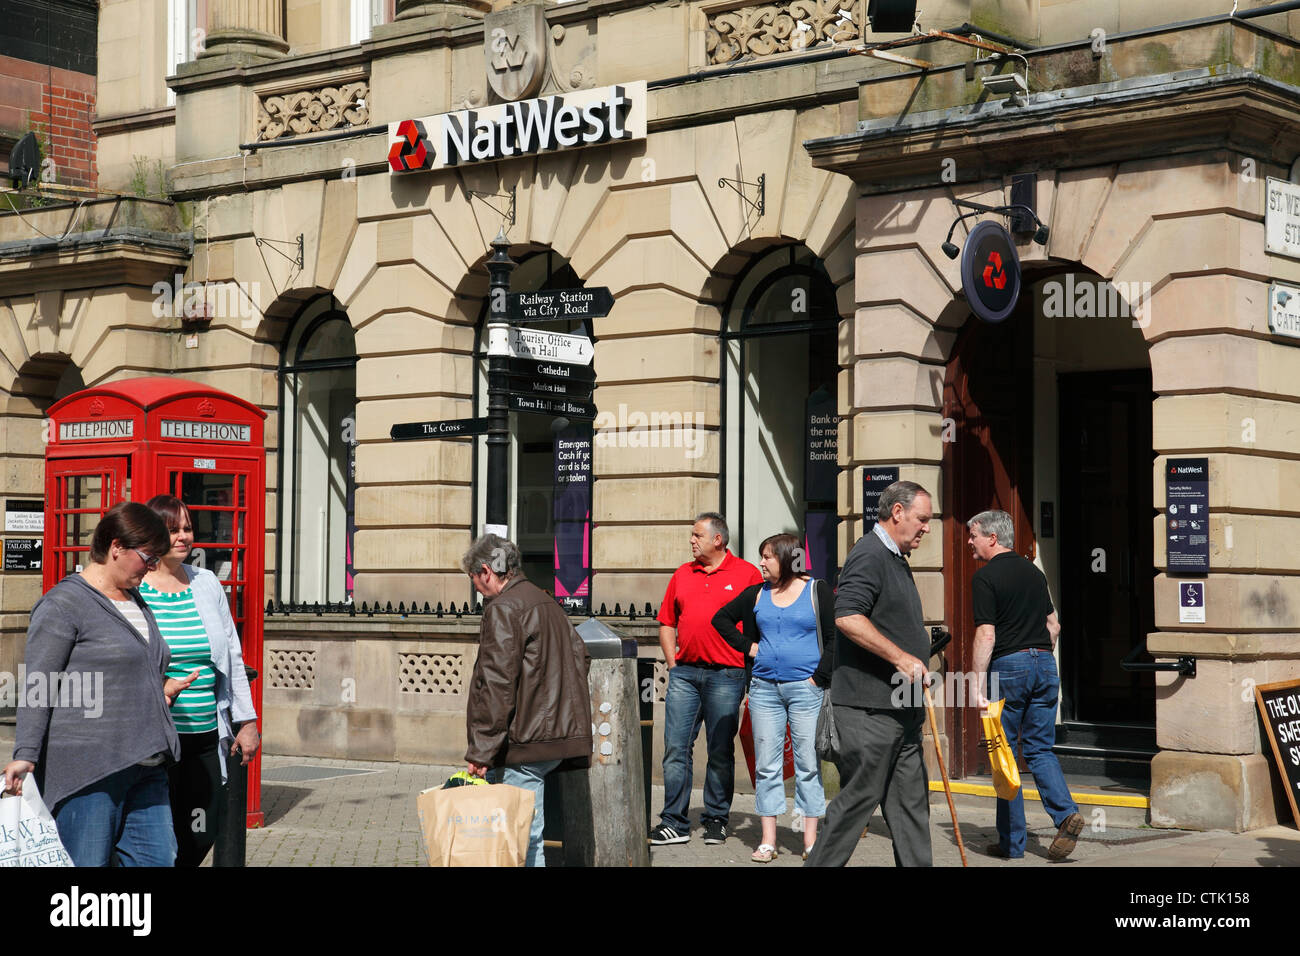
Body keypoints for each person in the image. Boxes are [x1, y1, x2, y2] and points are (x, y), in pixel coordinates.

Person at [3, 502, 188, 866]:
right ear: (116, 547)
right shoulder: (64, 604)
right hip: (90, 769)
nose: (152, 567)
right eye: (148, 557)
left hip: (146, 763)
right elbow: (40, 683)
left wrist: (160, 687)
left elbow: (126, 668)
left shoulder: (134, 599)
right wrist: (25, 754)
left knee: (158, 860)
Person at [806, 480, 934, 868]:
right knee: (857, 802)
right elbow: (847, 617)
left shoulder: (895, 557)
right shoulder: (870, 554)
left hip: (902, 709)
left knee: (912, 807)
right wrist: (901, 658)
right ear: (897, 513)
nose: (926, 528)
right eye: (922, 519)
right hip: (869, 710)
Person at [139, 494, 260, 867]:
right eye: (173, 529)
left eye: (188, 528)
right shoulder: (136, 587)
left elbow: (233, 656)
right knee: (155, 837)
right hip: (156, 739)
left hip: (207, 736)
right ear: (153, 534)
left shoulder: (206, 582)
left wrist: (248, 720)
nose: (183, 536)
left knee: (202, 829)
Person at [462, 534, 592, 868]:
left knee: (518, 836)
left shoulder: (504, 608)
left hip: (522, 741)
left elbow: (496, 684)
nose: (476, 588)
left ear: (487, 571)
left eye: (474, 579)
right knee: (525, 832)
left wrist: (481, 750)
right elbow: (580, 656)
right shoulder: (545, 600)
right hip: (552, 738)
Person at [968, 509, 1083, 861]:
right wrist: (1039, 658)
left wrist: (975, 684)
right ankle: (1065, 815)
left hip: (1009, 667)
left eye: (973, 535)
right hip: (1045, 665)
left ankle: (1012, 843)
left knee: (1004, 754)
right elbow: (1054, 626)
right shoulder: (1035, 574)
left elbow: (986, 634)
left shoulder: (985, 578)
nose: (970, 542)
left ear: (992, 538)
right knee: (1039, 749)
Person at [712, 532, 833, 862]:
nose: (761, 563)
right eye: (761, 556)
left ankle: (810, 841)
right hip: (764, 690)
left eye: (768, 556)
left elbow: (836, 639)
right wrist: (747, 646)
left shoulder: (816, 591)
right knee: (767, 767)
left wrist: (816, 679)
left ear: (787, 558)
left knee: (808, 765)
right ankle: (768, 841)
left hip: (805, 691)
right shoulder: (755, 594)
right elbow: (720, 619)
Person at [649, 512, 762, 847]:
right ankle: (674, 822)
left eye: (697, 535)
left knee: (719, 749)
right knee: (675, 748)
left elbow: (761, 622)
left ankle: (716, 819)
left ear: (718, 539)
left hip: (727, 675)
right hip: (685, 674)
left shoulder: (747, 574)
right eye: (691, 534)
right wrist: (673, 664)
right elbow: (667, 621)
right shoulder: (682, 574)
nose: (691, 540)